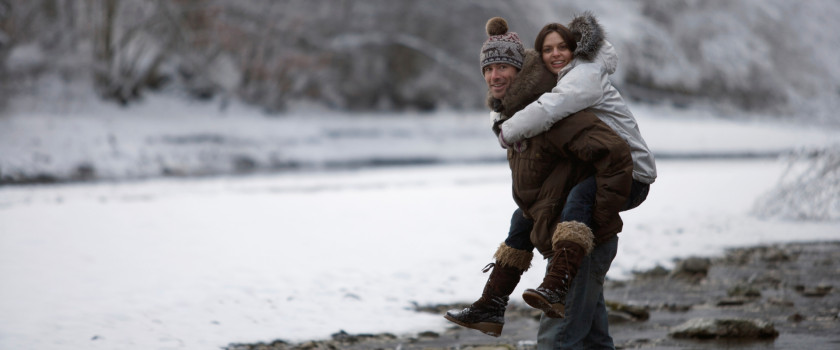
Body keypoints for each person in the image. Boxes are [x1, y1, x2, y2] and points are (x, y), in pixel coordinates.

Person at [444, 16, 634, 340]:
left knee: (554, 341)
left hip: (581, 245)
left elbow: (615, 156)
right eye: (488, 69)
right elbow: (543, 187)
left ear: (521, 69)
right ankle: (491, 305)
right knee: (593, 341)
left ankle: (492, 305)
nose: (494, 75)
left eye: (503, 67)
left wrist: (595, 219)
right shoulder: (517, 119)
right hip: (561, 240)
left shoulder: (551, 112)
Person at [502, 13, 657, 349]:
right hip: (602, 173)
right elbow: (526, 101)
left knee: (575, 208)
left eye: (562, 47)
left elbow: (548, 108)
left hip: (630, 173)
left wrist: (508, 129)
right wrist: (500, 111)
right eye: (547, 49)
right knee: (591, 329)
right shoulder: (564, 79)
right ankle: (494, 299)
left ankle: (554, 283)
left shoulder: (584, 75)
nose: (555, 54)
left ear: (576, 49)